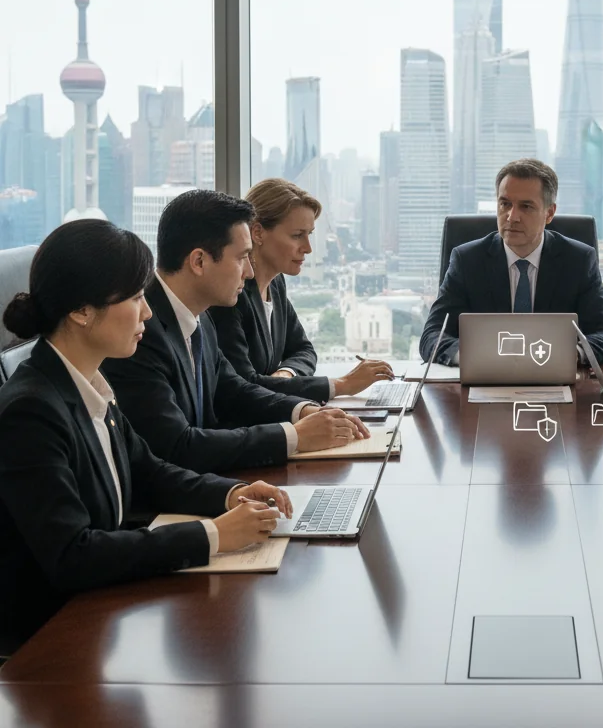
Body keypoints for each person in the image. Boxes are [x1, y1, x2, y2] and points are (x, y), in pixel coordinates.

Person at [0, 220, 291, 648]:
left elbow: (149, 471)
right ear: (82, 310)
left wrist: (231, 495)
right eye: (136, 297)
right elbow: (72, 555)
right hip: (48, 643)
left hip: (102, 611)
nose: (148, 312)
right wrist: (214, 536)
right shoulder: (30, 410)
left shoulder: (88, 383)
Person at [103, 190, 368, 475]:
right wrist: (295, 437)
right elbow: (176, 446)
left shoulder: (199, 316)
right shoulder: (140, 331)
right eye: (242, 258)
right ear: (199, 261)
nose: (249, 273)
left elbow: (233, 390)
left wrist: (304, 411)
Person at [419, 159, 603, 366]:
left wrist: (571, 355)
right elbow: (432, 335)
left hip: (556, 382)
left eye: (526, 206)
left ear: (549, 213)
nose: (511, 217)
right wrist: (471, 357)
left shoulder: (578, 260)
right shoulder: (467, 261)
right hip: (483, 381)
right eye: (505, 204)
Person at [208, 178, 393, 402]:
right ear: (257, 233)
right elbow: (246, 386)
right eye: (297, 235)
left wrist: (286, 374)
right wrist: (343, 385)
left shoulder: (275, 284)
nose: (307, 248)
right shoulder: (230, 295)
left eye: (309, 234)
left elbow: (304, 350)